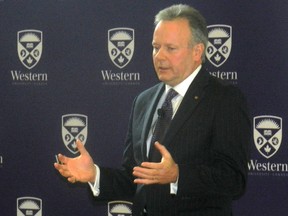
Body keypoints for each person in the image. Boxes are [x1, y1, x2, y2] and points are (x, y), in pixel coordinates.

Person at [54, 4, 250, 216]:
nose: (159, 56)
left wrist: (177, 175)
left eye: (170, 48)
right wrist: (94, 175)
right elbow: (135, 177)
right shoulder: (144, 100)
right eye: (156, 47)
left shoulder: (224, 98)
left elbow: (233, 179)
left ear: (197, 51)